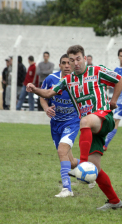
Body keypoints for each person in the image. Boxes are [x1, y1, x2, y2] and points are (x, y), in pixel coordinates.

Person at [26, 45, 122, 210]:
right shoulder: (67, 80)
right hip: (91, 129)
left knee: (84, 121)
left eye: (78, 59)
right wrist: (35, 89)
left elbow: (119, 80)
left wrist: (114, 100)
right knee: (96, 170)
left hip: (103, 117)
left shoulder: (97, 71)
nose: (75, 63)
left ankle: (82, 165)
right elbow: (49, 94)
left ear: (84, 58)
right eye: (72, 60)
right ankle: (114, 201)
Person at [38, 54, 83, 197]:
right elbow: (43, 96)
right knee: (70, 161)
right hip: (56, 123)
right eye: (64, 63)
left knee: (61, 151)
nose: (67, 65)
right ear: (60, 65)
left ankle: (67, 189)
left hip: (72, 122)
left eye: (69, 62)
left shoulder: (78, 80)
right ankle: (91, 170)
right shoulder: (51, 79)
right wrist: (46, 108)